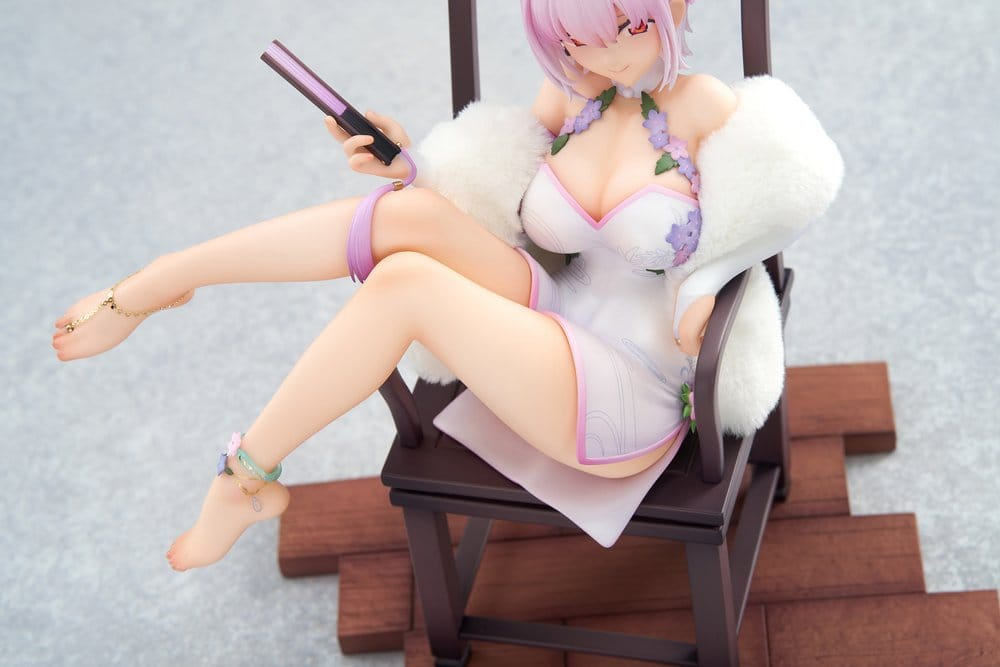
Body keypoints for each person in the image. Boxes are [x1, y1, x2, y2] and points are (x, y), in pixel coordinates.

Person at [52, 0, 840, 570]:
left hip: (630, 386)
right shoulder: (572, 95)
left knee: (406, 286)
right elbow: (488, 186)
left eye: (619, 31)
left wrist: (704, 284)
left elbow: (782, 199)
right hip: (553, 312)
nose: (598, 57)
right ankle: (159, 281)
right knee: (413, 213)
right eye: (573, 37)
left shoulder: (704, 106)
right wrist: (411, 164)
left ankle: (244, 477)